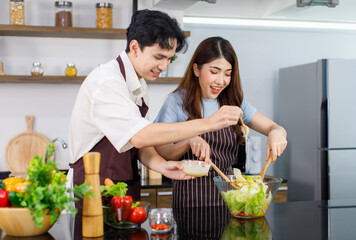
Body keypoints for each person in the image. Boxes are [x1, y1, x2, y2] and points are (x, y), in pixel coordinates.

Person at [67, 11, 242, 205]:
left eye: (169, 59)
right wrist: (209, 123)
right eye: (159, 57)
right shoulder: (107, 82)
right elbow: (141, 135)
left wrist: (163, 166)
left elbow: (141, 144)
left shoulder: (139, 85)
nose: (164, 66)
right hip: (92, 190)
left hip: (124, 186)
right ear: (135, 48)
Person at [154, 36, 288, 208]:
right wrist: (189, 141)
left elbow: (274, 127)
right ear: (196, 69)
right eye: (214, 71)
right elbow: (163, 151)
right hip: (190, 201)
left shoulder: (234, 103)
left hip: (231, 199)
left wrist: (276, 133)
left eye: (227, 74)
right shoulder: (177, 102)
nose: (221, 81)